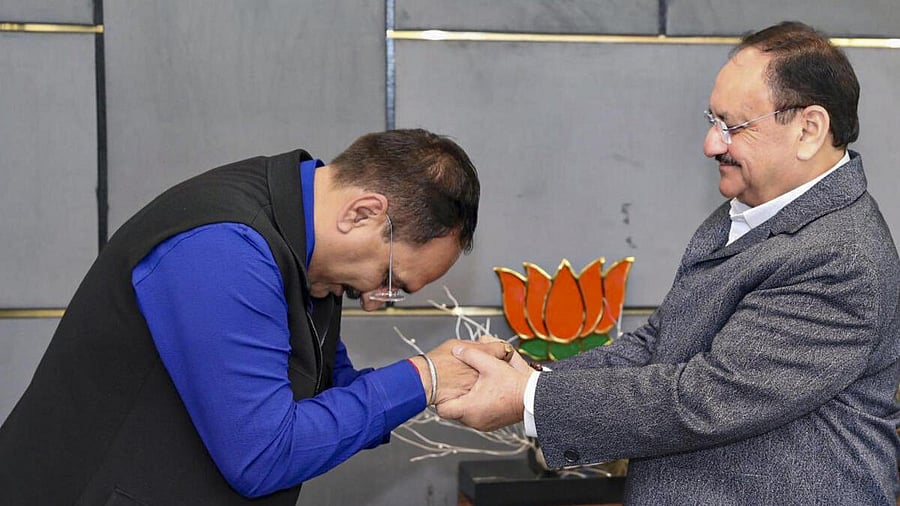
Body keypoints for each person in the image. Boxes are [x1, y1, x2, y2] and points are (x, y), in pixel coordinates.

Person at [439, 21, 900, 504]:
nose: (711, 144)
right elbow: (662, 342)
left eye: (732, 126)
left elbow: (710, 397)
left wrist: (529, 399)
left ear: (809, 129)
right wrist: (532, 375)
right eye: (711, 119)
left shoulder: (839, 257)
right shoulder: (748, 211)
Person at [0, 128, 512, 505]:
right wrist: (423, 378)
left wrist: (443, 384)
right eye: (389, 279)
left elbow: (328, 394)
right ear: (362, 213)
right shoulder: (225, 248)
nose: (375, 300)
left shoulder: (306, 251)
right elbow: (263, 456)